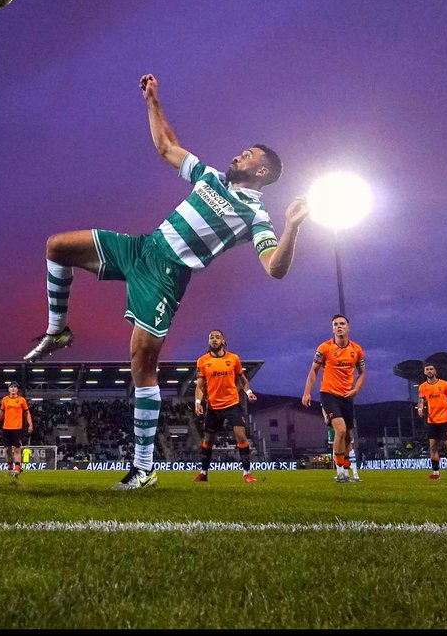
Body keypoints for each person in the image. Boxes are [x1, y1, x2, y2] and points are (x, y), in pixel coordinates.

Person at [22, 73, 308, 490]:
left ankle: (143, 468)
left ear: (261, 170)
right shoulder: (210, 177)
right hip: (143, 248)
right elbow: (167, 147)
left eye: (246, 155)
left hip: (167, 275)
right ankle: (57, 329)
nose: (238, 155)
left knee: (141, 363)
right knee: (57, 245)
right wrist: (152, 101)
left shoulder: (256, 217)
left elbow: (274, 268)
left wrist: (292, 227)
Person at [302, 315, 365, 483]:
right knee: (341, 430)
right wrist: (307, 392)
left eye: (342, 324)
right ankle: (340, 474)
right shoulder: (324, 347)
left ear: (348, 327)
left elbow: (362, 373)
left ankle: (345, 472)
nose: (339, 326)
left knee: (348, 436)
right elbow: (314, 370)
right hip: (329, 393)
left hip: (346, 396)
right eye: (335, 324)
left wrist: (356, 389)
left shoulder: (357, 350)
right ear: (332, 329)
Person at [193, 329, 258, 484]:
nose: (214, 339)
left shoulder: (234, 359)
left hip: (232, 404)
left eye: (217, 337)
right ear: (208, 341)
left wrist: (248, 391)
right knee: (208, 440)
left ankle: (247, 473)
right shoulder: (202, 361)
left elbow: (242, 378)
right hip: (213, 406)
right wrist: (197, 402)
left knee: (241, 435)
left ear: (223, 341)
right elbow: (200, 386)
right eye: (211, 337)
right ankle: (204, 473)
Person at [418, 362, 447, 480]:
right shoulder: (422, 387)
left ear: (435, 371)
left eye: (431, 369)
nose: (429, 371)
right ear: (424, 372)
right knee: (433, 447)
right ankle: (436, 473)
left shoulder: (445, 384)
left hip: (445, 419)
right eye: (427, 369)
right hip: (432, 420)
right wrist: (420, 408)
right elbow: (421, 400)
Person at [0, 383, 32, 476]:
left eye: (15, 387)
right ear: (8, 389)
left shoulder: (21, 400)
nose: (13, 389)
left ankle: (17, 468)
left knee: (17, 449)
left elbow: (27, 413)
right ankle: (10, 469)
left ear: (17, 390)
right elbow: (1, 412)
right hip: (6, 428)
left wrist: (30, 424)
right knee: (7, 449)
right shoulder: (5, 400)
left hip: (17, 428)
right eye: (11, 387)